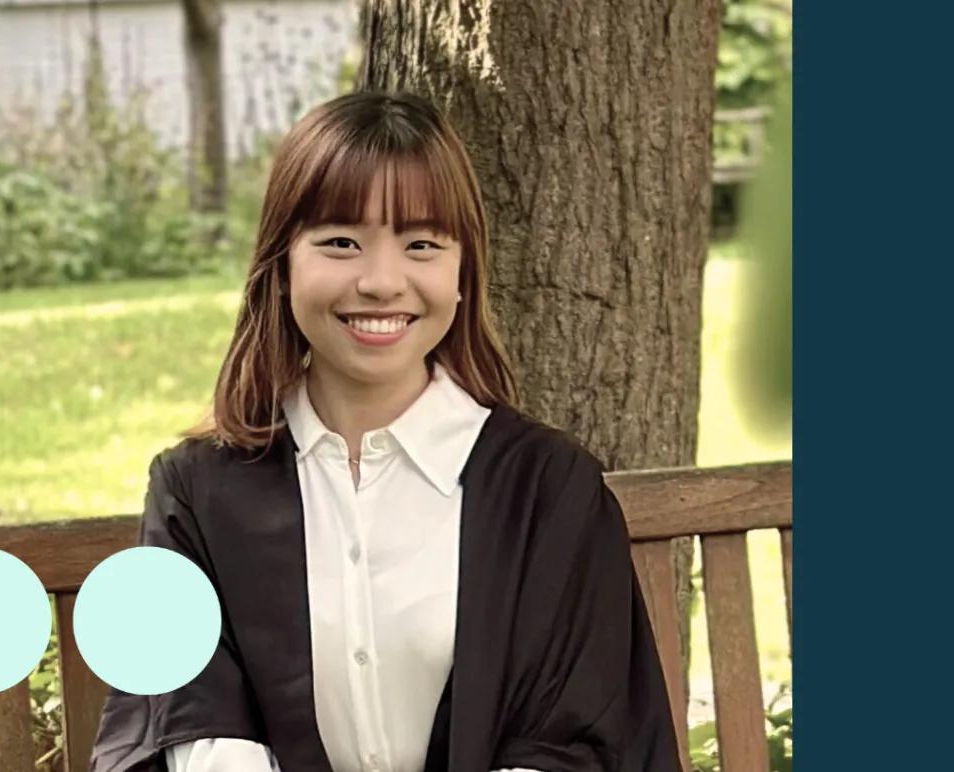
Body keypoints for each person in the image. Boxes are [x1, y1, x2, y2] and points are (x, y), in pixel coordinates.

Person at [89, 91, 681, 772]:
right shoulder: (198, 491)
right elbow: (186, 721)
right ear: (282, 265)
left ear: (463, 273)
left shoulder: (545, 490)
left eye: (421, 244)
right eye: (340, 242)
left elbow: (579, 738)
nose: (380, 281)